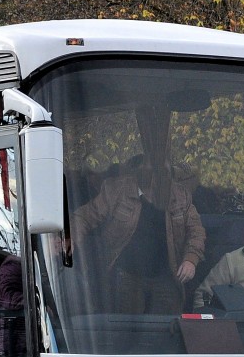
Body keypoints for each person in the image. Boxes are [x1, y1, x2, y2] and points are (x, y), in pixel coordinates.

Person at [72, 106, 205, 314]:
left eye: (164, 174)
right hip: (125, 275)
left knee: (166, 334)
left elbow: (196, 231)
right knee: (127, 332)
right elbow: (84, 217)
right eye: (152, 173)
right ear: (141, 174)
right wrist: (69, 239)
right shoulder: (116, 190)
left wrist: (190, 259)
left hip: (166, 276)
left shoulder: (180, 196)